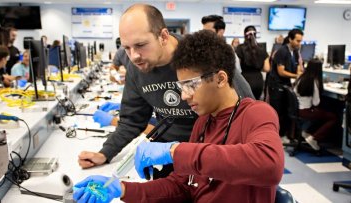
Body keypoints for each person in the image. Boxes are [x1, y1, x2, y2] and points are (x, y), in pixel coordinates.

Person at [73, 30, 284, 203]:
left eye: (191, 85)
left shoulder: (256, 113)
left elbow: (270, 166)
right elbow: (182, 185)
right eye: (181, 87)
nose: (184, 96)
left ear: (220, 79)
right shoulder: (202, 122)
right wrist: (123, 190)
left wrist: (175, 151)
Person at [78, 4, 254, 178]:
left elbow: (246, 111)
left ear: (163, 36)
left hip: (211, 157)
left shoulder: (200, 55)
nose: (134, 56)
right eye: (127, 48)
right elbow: (132, 120)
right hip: (168, 156)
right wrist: (105, 153)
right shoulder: (136, 68)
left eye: (140, 45)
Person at [268, 29, 303, 142]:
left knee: (286, 112)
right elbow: (281, 72)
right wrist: (296, 76)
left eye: (300, 41)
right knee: (277, 113)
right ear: (290, 39)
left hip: (286, 86)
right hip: (277, 86)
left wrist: (299, 73)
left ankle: (283, 135)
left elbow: (297, 66)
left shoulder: (296, 51)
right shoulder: (282, 51)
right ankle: (274, 138)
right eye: (297, 41)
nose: (299, 43)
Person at [294, 59, 337, 150]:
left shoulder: (301, 77)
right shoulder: (315, 81)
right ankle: (314, 138)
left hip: (296, 109)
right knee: (333, 117)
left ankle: (305, 131)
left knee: (322, 112)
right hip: (306, 111)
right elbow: (316, 102)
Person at [236, 25, 270, 100]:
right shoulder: (262, 49)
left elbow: (237, 67)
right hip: (258, 80)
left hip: (244, 79)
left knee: (244, 104)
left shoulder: (239, 48)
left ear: (244, 35)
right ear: (255, 35)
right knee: (255, 104)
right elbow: (267, 68)